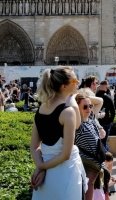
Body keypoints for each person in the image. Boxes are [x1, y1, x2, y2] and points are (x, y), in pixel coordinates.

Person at [30, 67, 85, 199]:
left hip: (45, 172)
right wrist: (42, 167)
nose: (78, 83)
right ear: (63, 86)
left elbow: (34, 147)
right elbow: (66, 154)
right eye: (75, 80)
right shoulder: (67, 112)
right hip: (66, 173)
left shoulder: (41, 109)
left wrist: (41, 167)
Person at [74, 91, 105, 200]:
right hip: (88, 163)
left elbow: (100, 101)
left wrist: (85, 97)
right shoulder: (78, 124)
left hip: (98, 162)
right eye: (85, 107)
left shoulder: (91, 117)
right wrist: (75, 97)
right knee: (89, 187)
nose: (89, 109)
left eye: (90, 106)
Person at [95, 80, 116, 151]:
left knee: (97, 143)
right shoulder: (107, 97)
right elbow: (113, 111)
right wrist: (110, 120)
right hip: (105, 122)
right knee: (104, 143)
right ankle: (105, 157)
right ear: (106, 88)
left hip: (96, 122)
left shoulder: (95, 96)